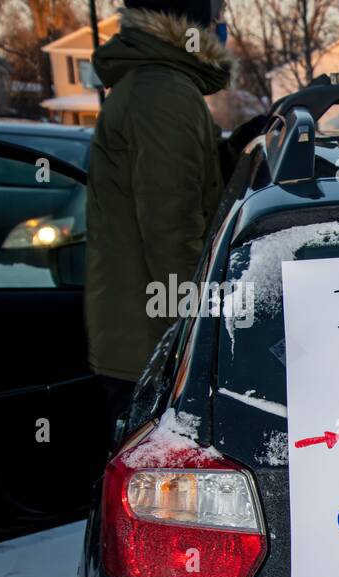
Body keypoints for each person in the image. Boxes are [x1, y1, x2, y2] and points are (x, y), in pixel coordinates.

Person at [85, 0, 232, 435]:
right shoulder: (163, 92)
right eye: (218, 10)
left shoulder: (159, 85)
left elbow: (180, 183)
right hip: (155, 352)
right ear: (190, 16)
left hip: (140, 340)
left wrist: (234, 147)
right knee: (156, 491)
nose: (223, 23)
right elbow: (173, 232)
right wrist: (205, 343)